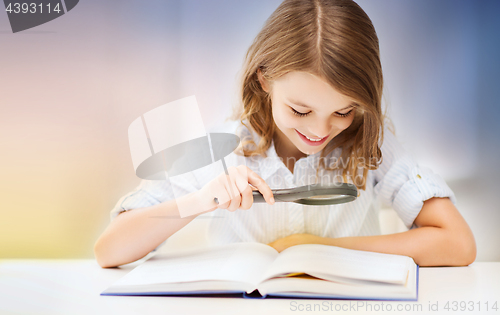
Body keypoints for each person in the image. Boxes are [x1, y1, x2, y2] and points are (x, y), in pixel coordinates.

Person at [94, 0, 476, 268]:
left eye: (343, 111)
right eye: (300, 110)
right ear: (264, 78)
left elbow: (457, 242)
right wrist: (200, 200)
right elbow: (109, 250)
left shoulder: (369, 146)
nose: (319, 130)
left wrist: (321, 250)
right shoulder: (222, 149)